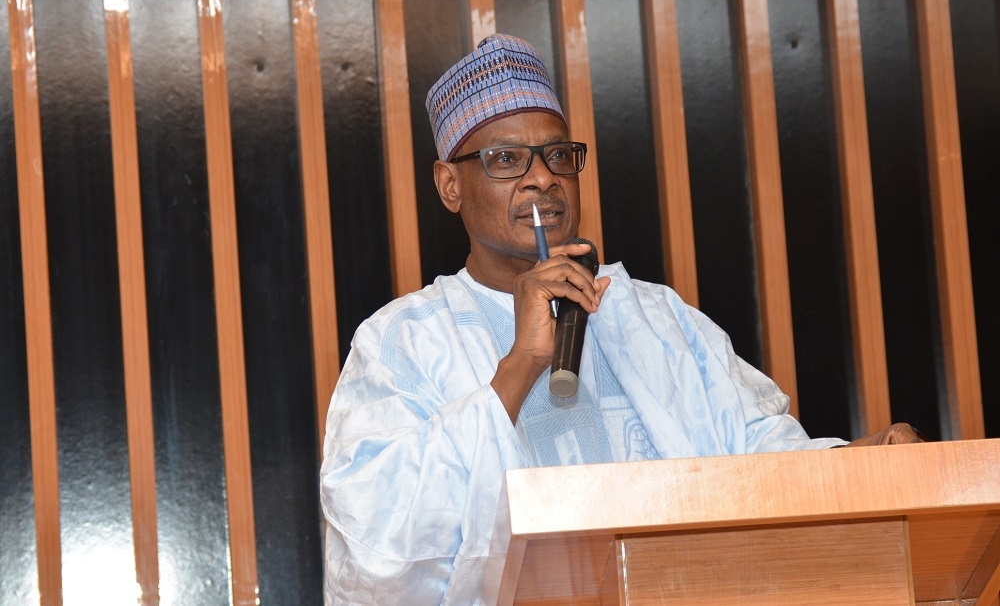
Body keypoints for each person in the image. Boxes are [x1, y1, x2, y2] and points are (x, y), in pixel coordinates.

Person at [319, 33, 921, 605]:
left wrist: (867, 459)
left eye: (558, 155)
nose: (542, 178)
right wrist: (518, 369)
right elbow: (374, 543)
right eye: (506, 159)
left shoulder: (657, 319)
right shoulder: (403, 341)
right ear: (450, 184)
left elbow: (759, 466)